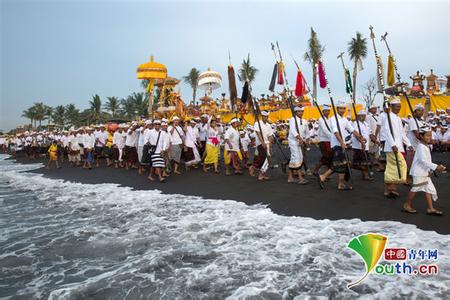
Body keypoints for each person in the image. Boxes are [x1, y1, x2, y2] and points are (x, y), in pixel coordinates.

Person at [320, 101, 365, 190]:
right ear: (337, 109)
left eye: (344, 108)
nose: (342, 110)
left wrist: (360, 137)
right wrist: (341, 142)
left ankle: (340, 184)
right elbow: (336, 132)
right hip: (337, 144)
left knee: (343, 164)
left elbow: (352, 130)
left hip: (342, 144)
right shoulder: (333, 119)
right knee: (339, 163)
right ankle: (323, 176)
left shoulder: (344, 120)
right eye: (340, 108)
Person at [402, 126, 446, 215]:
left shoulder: (425, 146)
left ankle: (430, 208)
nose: (429, 137)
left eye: (430, 135)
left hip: (424, 172)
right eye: (427, 135)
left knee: (428, 189)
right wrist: (436, 167)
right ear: (421, 136)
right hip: (419, 172)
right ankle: (407, 205)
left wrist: (430, 170)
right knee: (415, 188)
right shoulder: (421, 146)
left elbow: (427, 161)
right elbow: (423, 160)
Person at [382, 98, 413, 197]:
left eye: (400, 106)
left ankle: (390, 189)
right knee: (396, 167)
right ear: (391, 107)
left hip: (399, 147)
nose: (399, 108)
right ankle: (388, 189)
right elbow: (387, 131)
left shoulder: (398, 118)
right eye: (397, 106)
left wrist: (408, 144)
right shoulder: (388, 117)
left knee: (394, 169)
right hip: (392, 147)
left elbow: (402, 133)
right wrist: (393, 145)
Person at [287, 106, 309, 184]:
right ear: (296, 112)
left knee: (296, 158)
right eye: (299, 111)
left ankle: (290, 177)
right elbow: (293, 131)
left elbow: (307, 132)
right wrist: (300, 139)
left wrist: (307, 140)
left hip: (301, 142)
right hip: (293, 141)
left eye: (302, 111)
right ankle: (300, 178)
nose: (300, 113)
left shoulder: (305, 121)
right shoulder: (292, 119)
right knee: (297, 158)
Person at [249, 111, 273, 181]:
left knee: (267, 159)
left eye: (267, 116)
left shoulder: (268, 125)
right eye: (264, 116)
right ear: (262, 116)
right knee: (265, 158)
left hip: (267, 143)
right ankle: (260, 173)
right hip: (260, 143)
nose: (266, 118)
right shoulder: (257, 123)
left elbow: (269, 135)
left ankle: (259, 171)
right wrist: (262, 143)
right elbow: (258, 133)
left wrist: (270, 143)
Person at [351, 110, 374, 180]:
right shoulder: (355, 123)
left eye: (364, 116)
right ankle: (365, 175)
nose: (363, 117)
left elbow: (370, 134)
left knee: (365, 162)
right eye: (361, 115)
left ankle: (365, 175)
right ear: (358, 116)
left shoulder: (366, 124)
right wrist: (362, 142)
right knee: (361, 162)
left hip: (365, 146)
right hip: (358, 146)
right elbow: (356, 135)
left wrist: (376, 141)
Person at [314, 104, 332, 179]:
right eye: (325, 111)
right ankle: (316, 170)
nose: (327, 112)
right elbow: (325, 130)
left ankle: (325, 174)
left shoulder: (330, 119)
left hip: (330, 141)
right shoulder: (321, 119)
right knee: (326, 157)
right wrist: (333, 137)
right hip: (323, 140)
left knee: (330, 158)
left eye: (328, 111)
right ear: (323, 111)